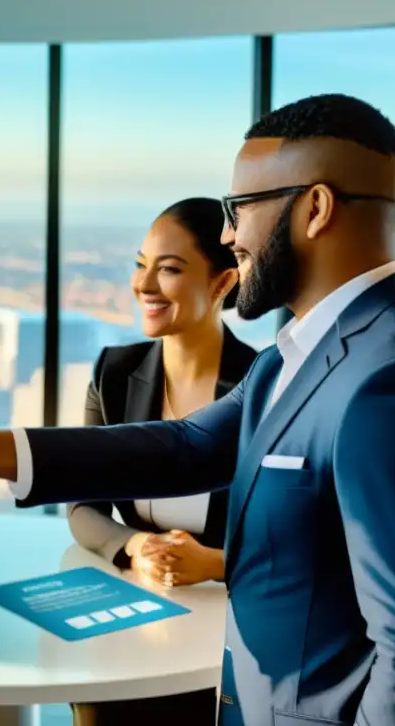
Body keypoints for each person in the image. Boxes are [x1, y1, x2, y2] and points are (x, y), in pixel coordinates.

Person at [0, 95, 395, 726]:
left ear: (315, 208)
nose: (229, 234)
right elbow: (183, 447)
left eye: (239, 209)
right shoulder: (293, 357)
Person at [67, 198, 256, 725]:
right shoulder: (115, 372)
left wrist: (213, 562)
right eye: (139, 264)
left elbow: (297, 533)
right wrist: (134, 546)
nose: (144, 285)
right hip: (129, 624)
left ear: (222, 283)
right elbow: (83, 503)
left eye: (169, 269)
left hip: (224, 631)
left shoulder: (263, 383)